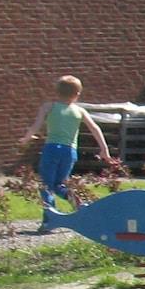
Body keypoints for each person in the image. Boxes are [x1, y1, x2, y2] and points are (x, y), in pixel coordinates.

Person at [22, 75, 109, 229]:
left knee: (46, 185)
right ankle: (78, 204)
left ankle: (50, 219)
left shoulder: (49, 107)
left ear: (56, 91)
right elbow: (95, 128)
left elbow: (37, 124)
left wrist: (27, 137)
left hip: (51, 148)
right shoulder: (80, 111)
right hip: (70, 151)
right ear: (77, 94)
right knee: (59, 184)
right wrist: (104, 149)